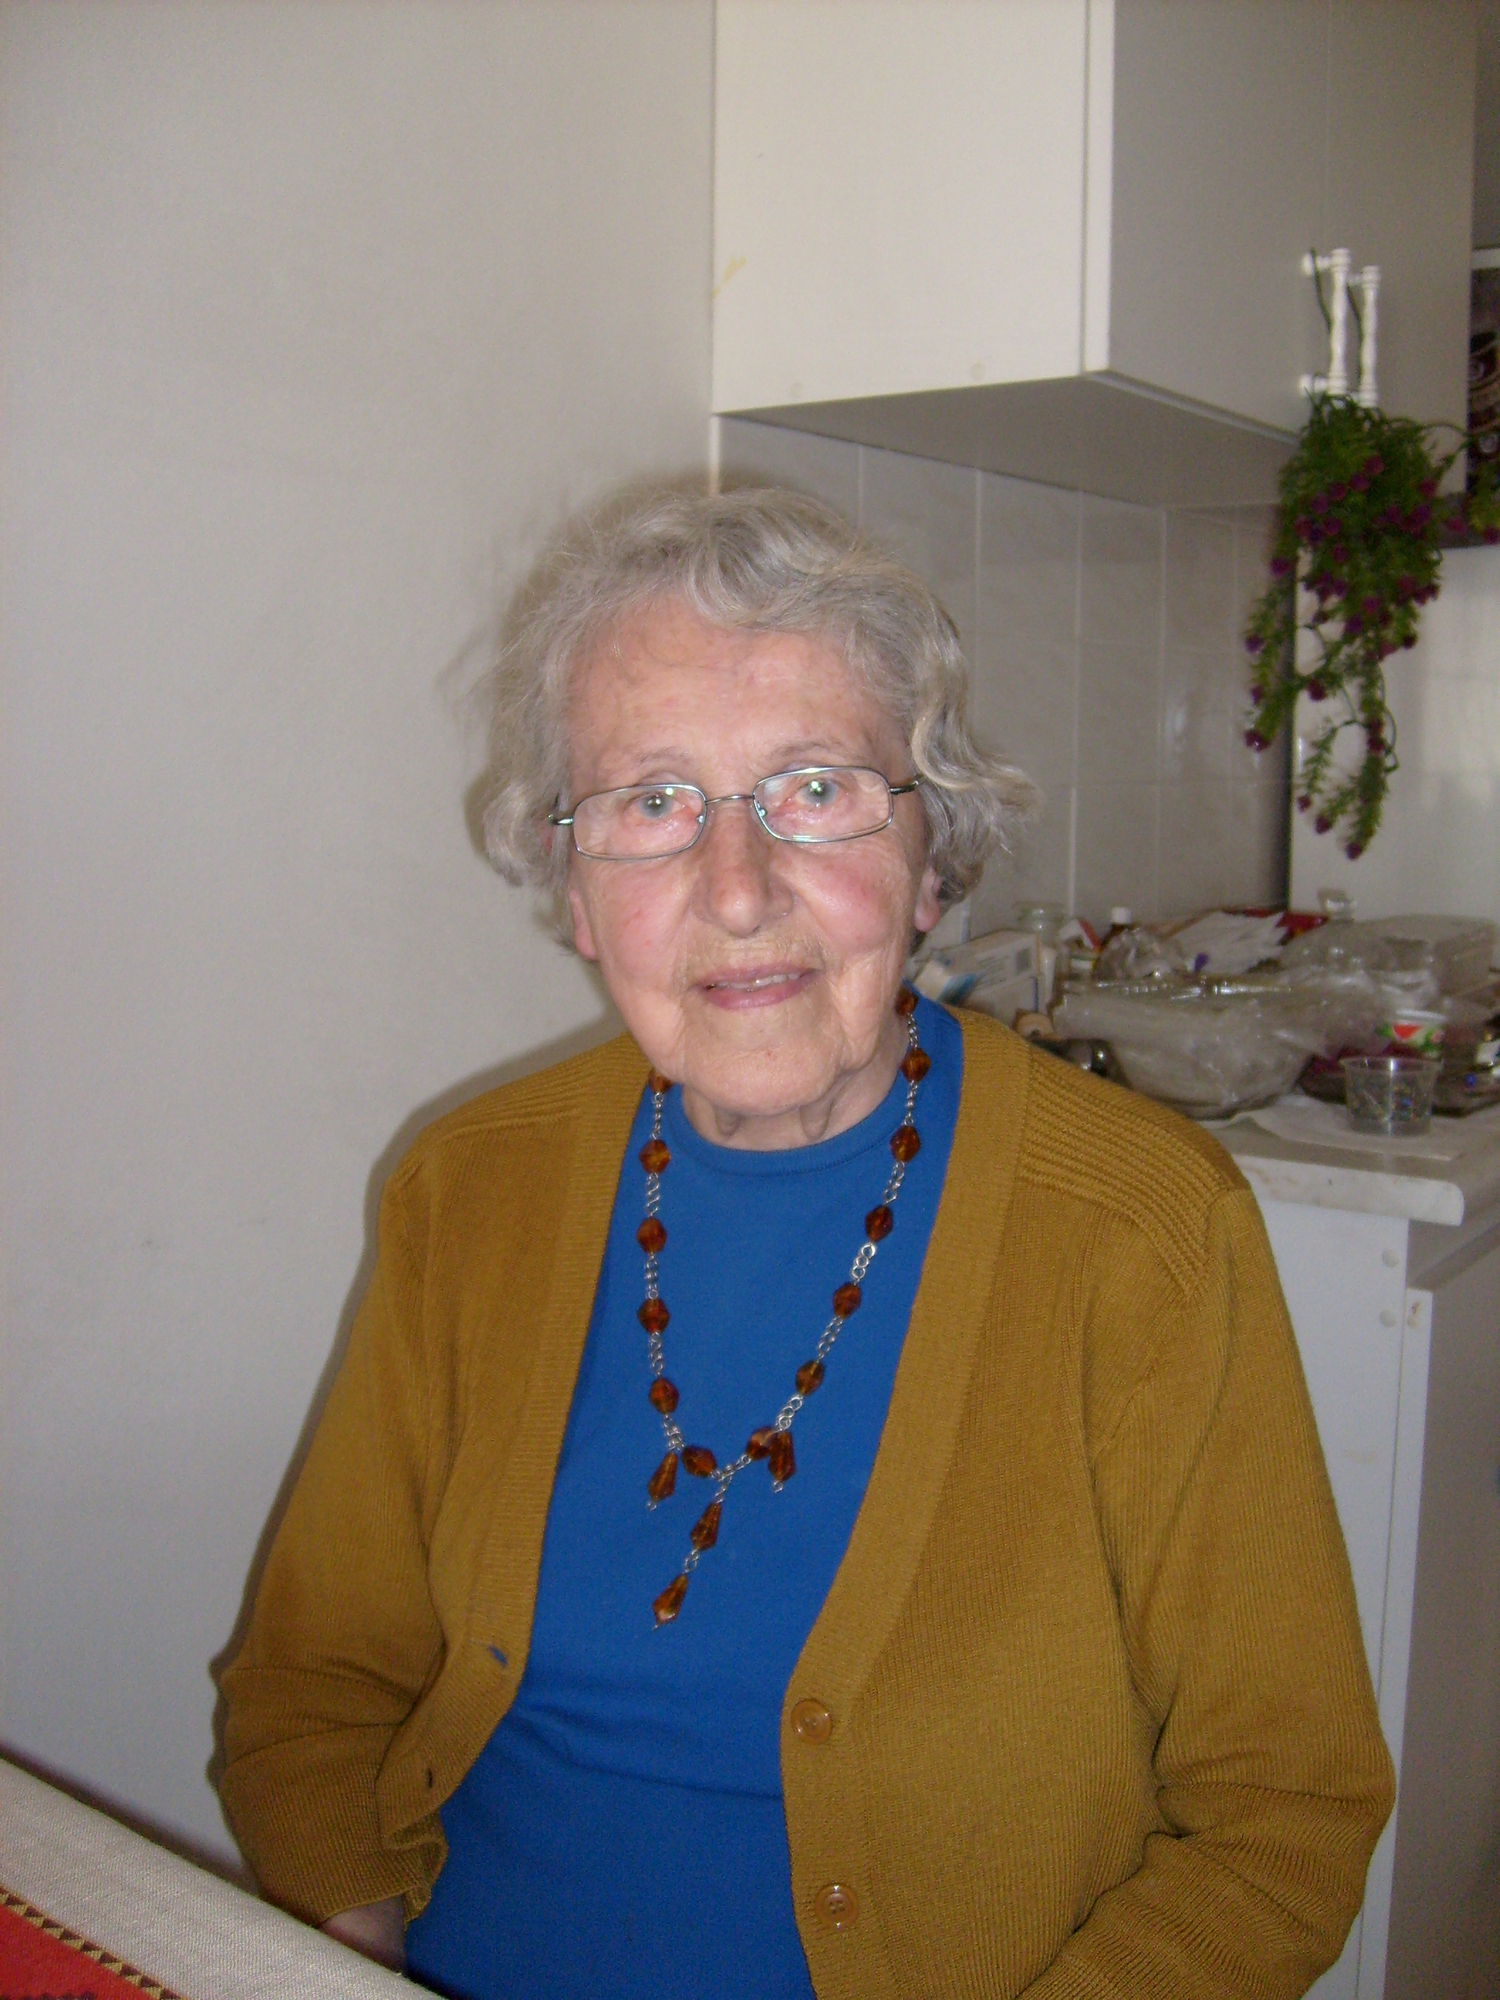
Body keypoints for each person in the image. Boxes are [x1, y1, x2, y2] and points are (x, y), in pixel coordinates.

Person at [216, 485, 1394, 1999]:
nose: (736, 889)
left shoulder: (1143, 1232)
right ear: (575, 894)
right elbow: (310, 1686)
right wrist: (361, 1945)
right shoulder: (467, 1192)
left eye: (815, 790)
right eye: (652, 804)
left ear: (932, 857)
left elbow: (1283, 1812)